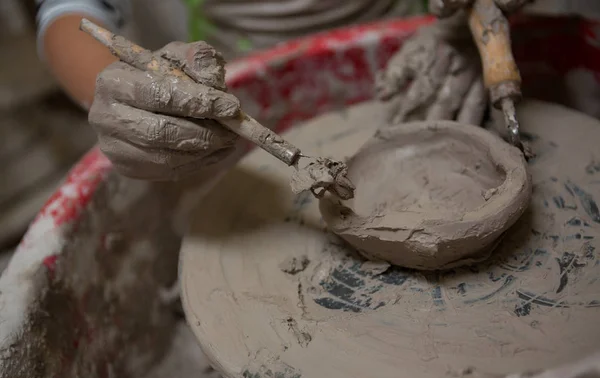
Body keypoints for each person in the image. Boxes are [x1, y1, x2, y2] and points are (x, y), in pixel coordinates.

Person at [36, 0, 529, 181]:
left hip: (421, 49)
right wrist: (130, 97)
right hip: (238, 83)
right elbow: (70, 10)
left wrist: (467, 20)